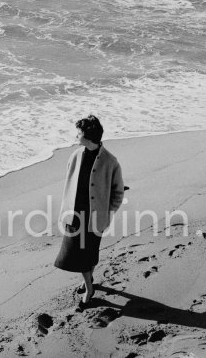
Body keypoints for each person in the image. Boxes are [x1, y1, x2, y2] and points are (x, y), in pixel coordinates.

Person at [54, 115, 125, 308]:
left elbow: (118, 193)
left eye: (79, 132)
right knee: (76, 255)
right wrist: (64, 211)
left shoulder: (110, 162)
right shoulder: (76, 155)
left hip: (95, 218)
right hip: (75, 216)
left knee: (89, 255)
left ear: (88, 136)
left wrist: (107, 213)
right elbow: (68, 186)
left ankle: (88, 286)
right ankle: (89, 283)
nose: (76, 135)